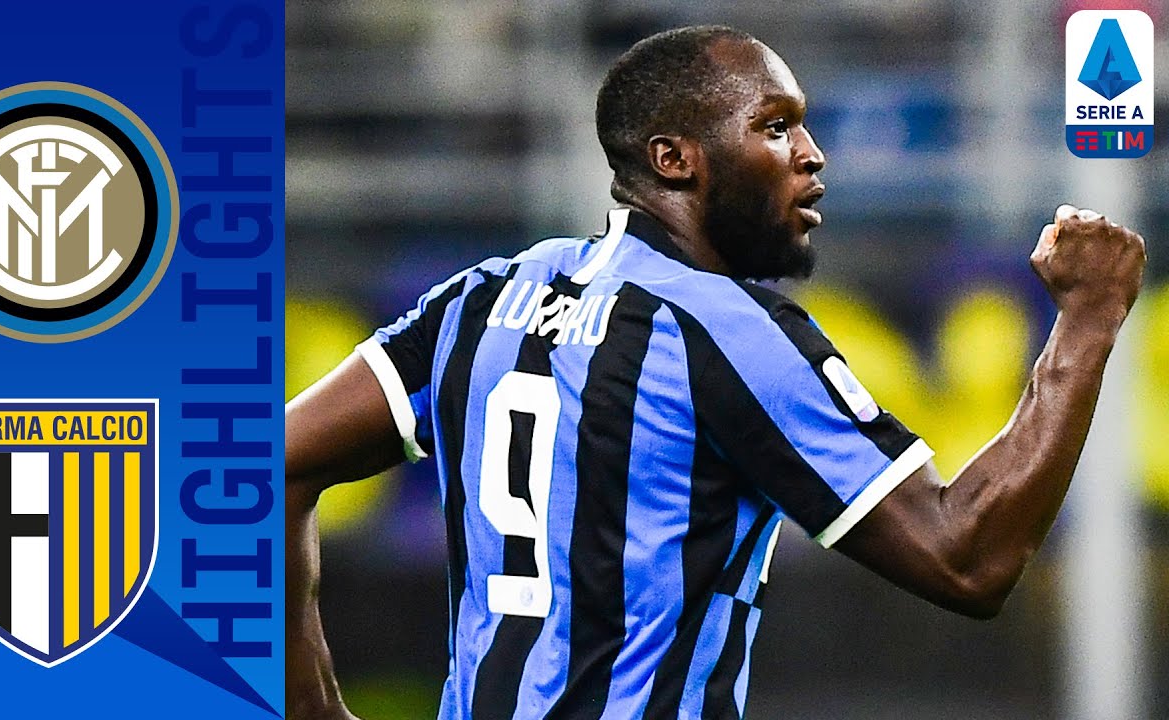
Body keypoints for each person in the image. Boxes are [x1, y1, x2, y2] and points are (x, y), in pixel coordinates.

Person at [285, 25, 1146, 720]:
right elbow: (968, 558)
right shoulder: (726, 331)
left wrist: (316, 708)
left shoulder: (480, 299)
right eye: (774, 127)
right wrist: (1086, 321)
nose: (812, 154)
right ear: (675, 159)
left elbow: (273, 464)